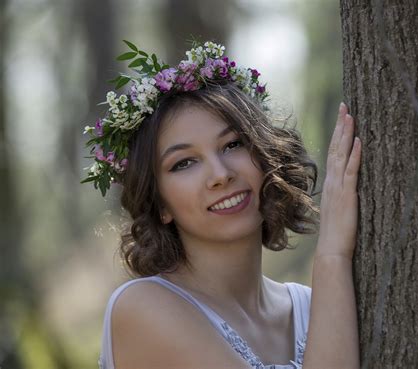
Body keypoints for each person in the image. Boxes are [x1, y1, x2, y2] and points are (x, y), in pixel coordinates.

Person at [83, 40, 361, 369]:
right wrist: (332, 254)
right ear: (160, 204)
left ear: (264, 154)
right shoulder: (142, 308)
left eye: (232, 144)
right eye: (184, 163)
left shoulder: (314, 306)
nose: (220, 175)